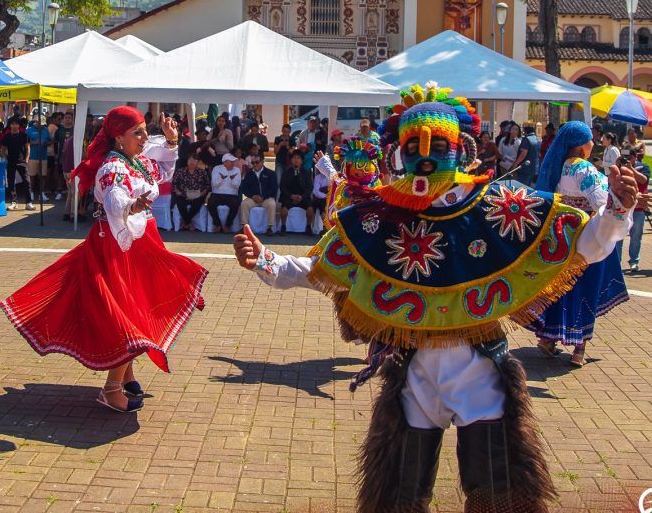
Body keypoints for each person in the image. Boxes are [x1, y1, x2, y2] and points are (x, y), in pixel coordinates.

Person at [233, 85, 639, 513]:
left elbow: (583, 244)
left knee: (497, 497)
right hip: (413, 376)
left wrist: (616, 212)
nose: (425, 157)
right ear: (396, 153)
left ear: (460, 148)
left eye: (438, 144)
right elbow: (323, 270)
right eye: (413, 146)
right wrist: (265, 260)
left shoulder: (500, 206)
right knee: (401, 498)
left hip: (479, 373)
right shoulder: (381, 218)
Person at [0, 108, 207, 413]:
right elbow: (113, 199)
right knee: (126, 314)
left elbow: (162, 173)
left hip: (140, 243)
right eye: (137, 132)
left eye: (143, 131)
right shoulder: (112, 166)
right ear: (118, 137)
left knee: (139, 304)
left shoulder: (135, 159)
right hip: (116, 247)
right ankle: (111, 389)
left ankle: (126, 375)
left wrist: (173, 143)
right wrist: (131, 206)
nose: (145, 137)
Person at [534, 122, 632, 367]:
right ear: (580, 145)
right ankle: (580, 348)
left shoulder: (560, 166)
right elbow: (601, 201)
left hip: (562, 235)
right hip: (587, 234)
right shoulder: (583, 169)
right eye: (590, 140)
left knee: (559, 288)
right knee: (588, 287)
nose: (593, 144)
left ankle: (548, 339)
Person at [239, 154, 278, 235]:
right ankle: (244, 227)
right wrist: (253, 196)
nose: (255, 164)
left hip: (266, 198)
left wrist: (263, 197)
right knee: (244, 203)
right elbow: (244, 188)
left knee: (272, 204)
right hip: (253, 199)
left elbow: (274, 188)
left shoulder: (271, 173)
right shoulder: (249, 174)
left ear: (263, 162)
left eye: (257, 162)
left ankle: (269, 228)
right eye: (253, 163)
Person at [0, 119, 33, 210]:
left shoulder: (24, 136)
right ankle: (14, 202)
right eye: (12, 124)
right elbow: (2, 148)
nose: (14, 126)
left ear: (19, 126)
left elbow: (28, 147)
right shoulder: (6, 136)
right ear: (10, 126)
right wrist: (4, 157)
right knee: (11, 182)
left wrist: (26, 159)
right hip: (10, 161)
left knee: (27, 181)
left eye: (16, 124)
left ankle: (28, 202)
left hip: (22, 161)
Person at [172, 155, 211, 231]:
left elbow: (208, 185)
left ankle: (186, 222)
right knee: (180, 203)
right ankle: (188, 223)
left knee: (197, 205)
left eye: (194, 160)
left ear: (198, 162)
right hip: (183, 194)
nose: (192, 162)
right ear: (187, 161)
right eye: (190, 160)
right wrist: (177, 191)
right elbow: (174, 183)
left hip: (198, 195)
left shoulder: (202, 172)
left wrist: (203, 193)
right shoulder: (180, 171)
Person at [279, 149, 313, 234]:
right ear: (291, 160)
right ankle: (283, 226)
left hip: (302, 197)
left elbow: (309, 187)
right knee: (284, 209)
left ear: (301, 161)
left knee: (310, 209)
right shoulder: (286, 172)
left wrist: (302, 197)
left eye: (298, 158)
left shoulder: (306, 173)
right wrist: (291, 196)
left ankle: (309, 227)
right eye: (294, 158)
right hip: (289, 196)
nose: (296, 160)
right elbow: (282, 187)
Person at [207, 154, 242, 233]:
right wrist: (221, 179)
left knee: (235, 204)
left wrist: (232, 179)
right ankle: (217, 224)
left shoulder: (237, 170)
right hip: (217, 193)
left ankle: (228, 225)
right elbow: (214, 184)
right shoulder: (216, 169)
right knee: (211, 203)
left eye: (233, 162)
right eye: (231, 162)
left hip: (231, 194)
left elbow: (237, 186)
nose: (233, 163)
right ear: (225, 162)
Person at [506, 122, 540, 186]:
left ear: (525, 132)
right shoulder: (537, 140)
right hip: (534, 169)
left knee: (521, 187)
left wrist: (515, 164)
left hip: (525, 169)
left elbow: (523, 154)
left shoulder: (526, 139)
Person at [26, 119, 52, 201]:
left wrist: (47, 143)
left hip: (43, 157)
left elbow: (50, 141)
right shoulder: (29, 130)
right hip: (32, 157)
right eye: (39, 122)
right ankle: (31, 193)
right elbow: (25, 142)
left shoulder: (46, 130)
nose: (40, 124)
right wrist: (35, 142)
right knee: (31, 176)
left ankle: (42, 193)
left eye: (42, 123)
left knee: (43, 176)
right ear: (35, 122)